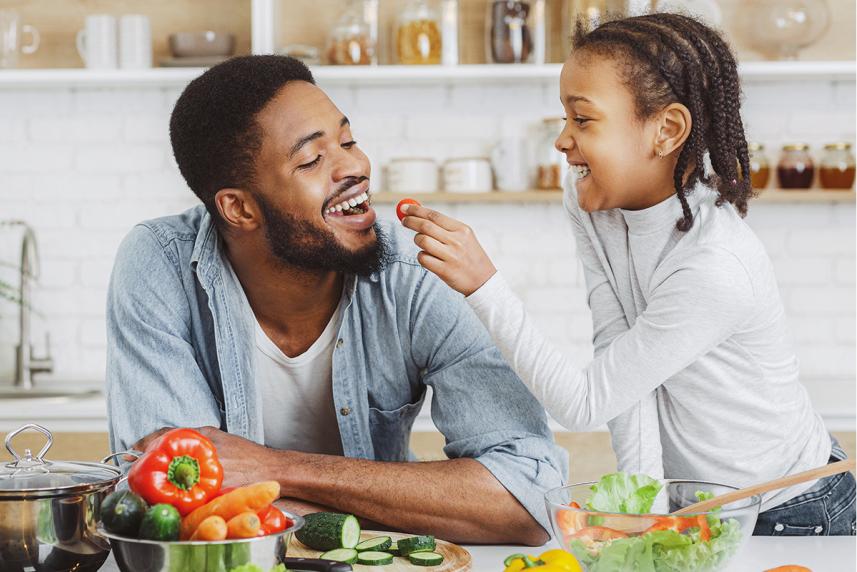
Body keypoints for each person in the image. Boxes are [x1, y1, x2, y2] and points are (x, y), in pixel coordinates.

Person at [399, 13, 855, 535]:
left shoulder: (714, 264)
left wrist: (484, 285)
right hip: (701, 510)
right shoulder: (594, 203)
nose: (563, 141)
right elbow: (620, 364)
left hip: (789, 508)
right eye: (564, 118)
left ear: (666, 130)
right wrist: (647, 510)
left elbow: (583, 402)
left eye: (584, 120)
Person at [105, 55, 567, 545]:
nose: (355, 166)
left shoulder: (417, 273)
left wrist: (274, 468)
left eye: (347, 141)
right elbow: (175, 507)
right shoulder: (160, 264)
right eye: (311, 160)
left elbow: (529, 501)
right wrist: (412, 505)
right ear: (238, 208)